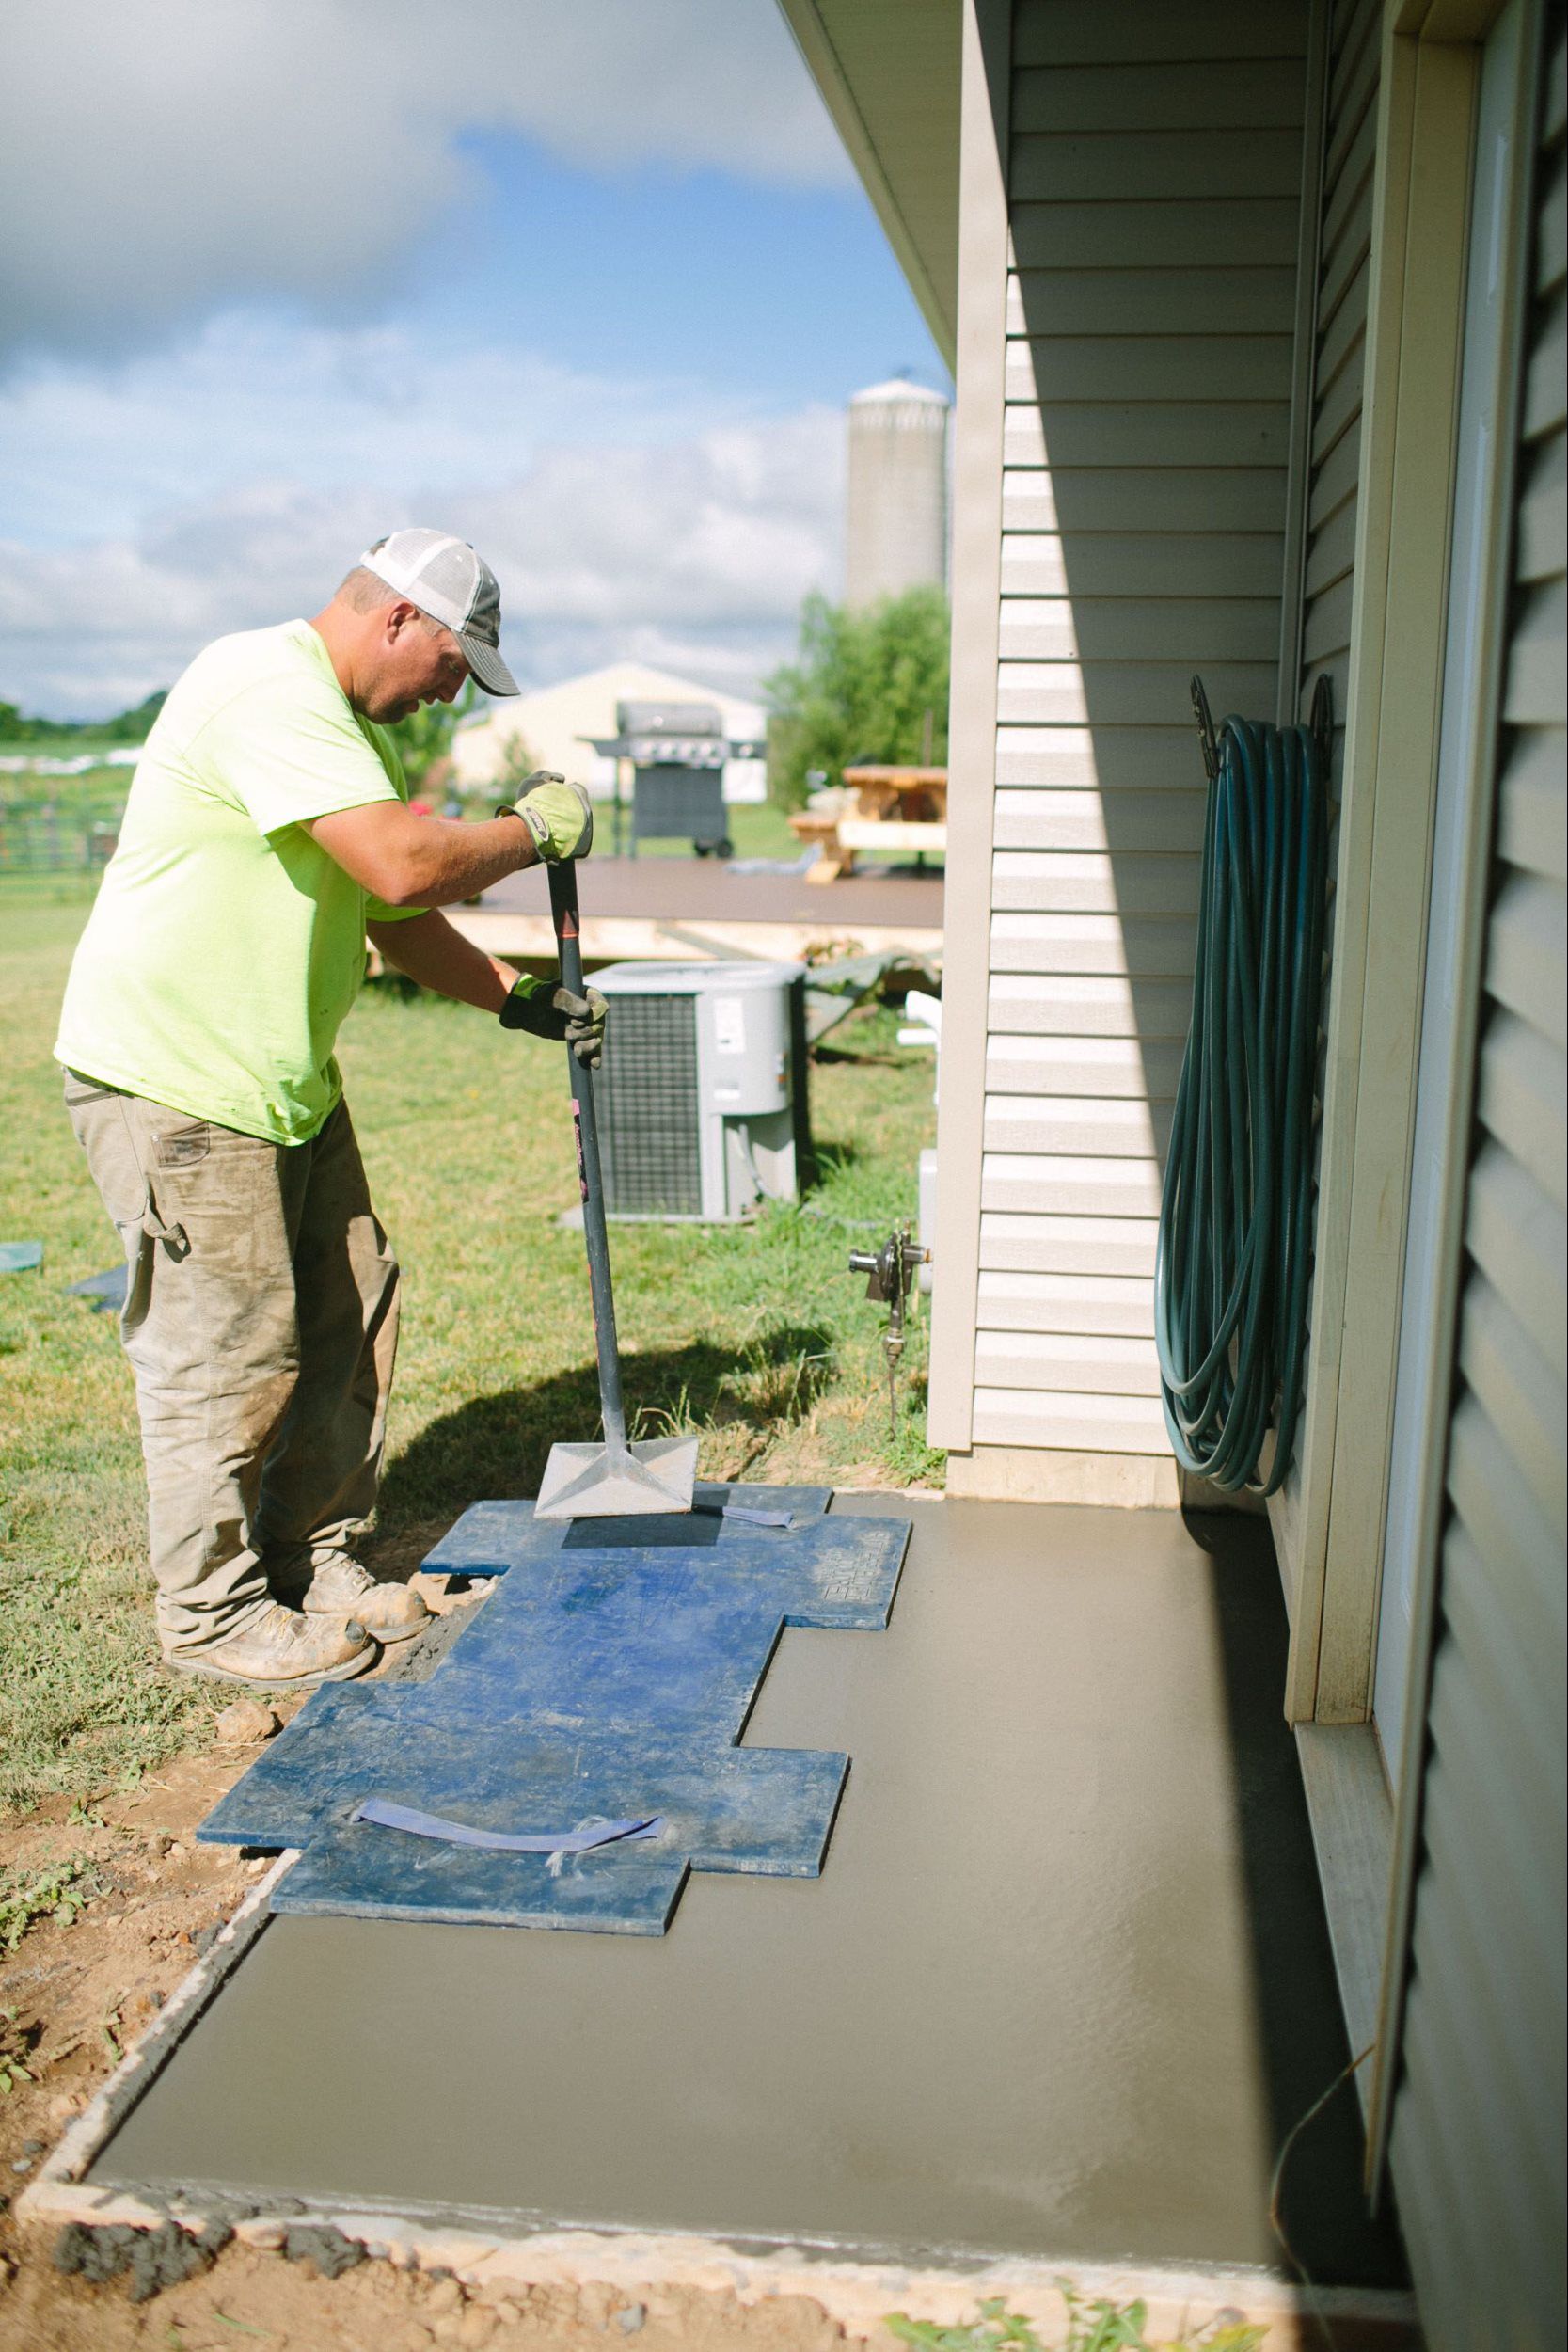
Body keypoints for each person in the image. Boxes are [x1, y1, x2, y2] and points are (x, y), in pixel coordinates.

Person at [55, 529, 608, 1690]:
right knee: (227, 1352)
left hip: (278, 1077)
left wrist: (513, 998)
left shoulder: (340, 728)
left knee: (351, 1305)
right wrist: (528, 832)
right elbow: (406, 866)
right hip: (180, 1082)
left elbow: (388, 913)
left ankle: (313, 1557)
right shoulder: (263, 685)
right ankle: (210, 1614)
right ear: (399, 618)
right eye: (452, 668)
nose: (448, 695)